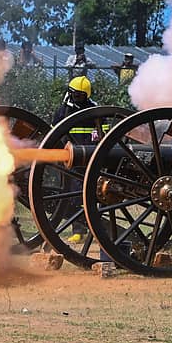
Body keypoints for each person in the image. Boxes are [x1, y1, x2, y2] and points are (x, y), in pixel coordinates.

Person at [51, 76, 97, 244]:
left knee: (82, 195)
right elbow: (53, 133)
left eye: (80, 96)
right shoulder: (63, 111)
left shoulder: (94, 110)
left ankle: (85, 230)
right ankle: (78, 231)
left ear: (86, 96)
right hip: (67, 158)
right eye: (74, 94)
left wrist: (92, 149)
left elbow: (100, 131)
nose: (76, 98)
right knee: (68, 194)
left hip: (87, 158)